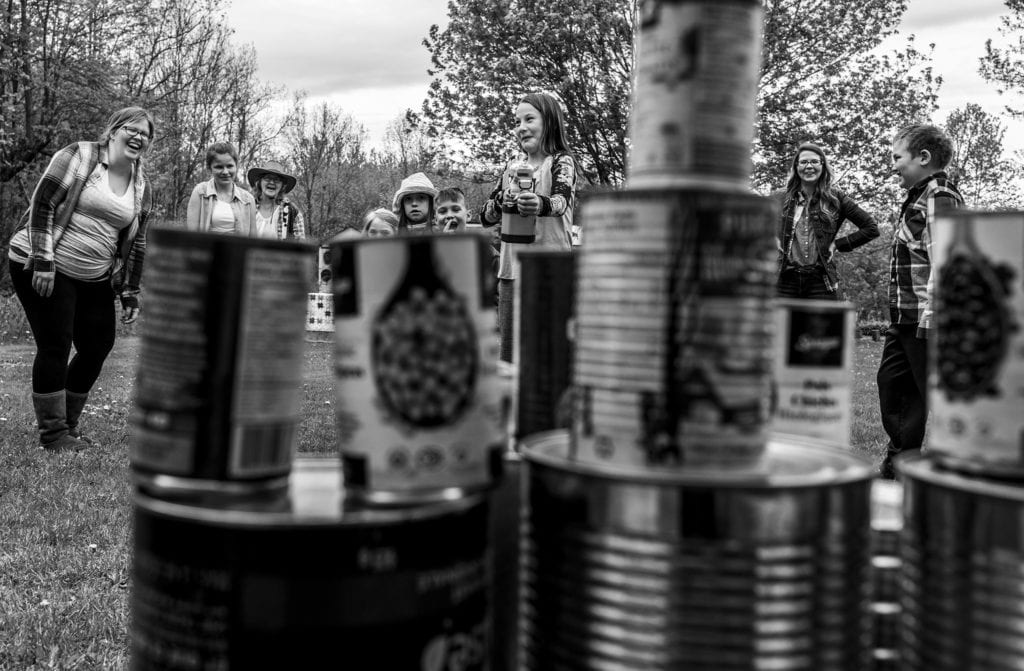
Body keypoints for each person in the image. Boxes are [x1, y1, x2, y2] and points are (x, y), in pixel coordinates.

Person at [6, 106, 155, 451]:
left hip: (93, 275)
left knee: (98, 345)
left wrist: (130, 291)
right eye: (132, 129)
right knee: (55, 343)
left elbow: (138, 243)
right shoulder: (79, 155)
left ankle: (68, 427)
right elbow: (42, 204)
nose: (138, 137)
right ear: (114, 130)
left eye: (145, 134)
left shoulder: (142, 186)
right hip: (45, 261)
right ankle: (53, 434)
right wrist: (43, 260)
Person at [877, 123, 964, 479]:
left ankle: (952, 468)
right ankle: (900, 464)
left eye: (898, 157)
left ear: (923, 158)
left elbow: (945, 255)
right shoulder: (917, 194)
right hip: (905, 316)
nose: (894, 165)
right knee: (894, 386)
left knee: (932, 394)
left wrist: (934, 313)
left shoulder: (939, 195)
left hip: (925, 319)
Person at [480, 91, 577, 362]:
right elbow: (485, 216)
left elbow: (561, 202)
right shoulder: (512, 168)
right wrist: (503, 199)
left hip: (550, 268)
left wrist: (538, 203)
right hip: (511, 270)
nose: (521, 127)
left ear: (549, 122)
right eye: (517, 121)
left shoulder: (561, 162)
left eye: (529, 119)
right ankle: (511, 400)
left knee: (548, 349)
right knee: (510, 351)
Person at [775, 142, 879, 299]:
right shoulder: (780, 197)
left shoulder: (836, 198)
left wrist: (837, 244)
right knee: (779, 324)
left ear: (822, 165)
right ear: (796, 166)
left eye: (814, 161)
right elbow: (751, 222)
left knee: (824, 324)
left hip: (820, 280)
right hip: (784, 280)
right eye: (803, 162)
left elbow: (871, 228)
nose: (809, 166)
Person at [185, 142, 256, 235]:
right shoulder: (200, 192)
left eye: (229, 166)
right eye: (219, 167)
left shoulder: (248, 199)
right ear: (210, 168)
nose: (225, 172)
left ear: (236, 166)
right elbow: (192, 234)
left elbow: (252, 238)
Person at [247, 159, 306, 240]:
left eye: (277, 180)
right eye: (267, 178)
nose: (272, 182)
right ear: (259, 182)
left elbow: (300, 247)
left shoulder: (293, 213)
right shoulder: (248, 207)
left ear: (282, 185)